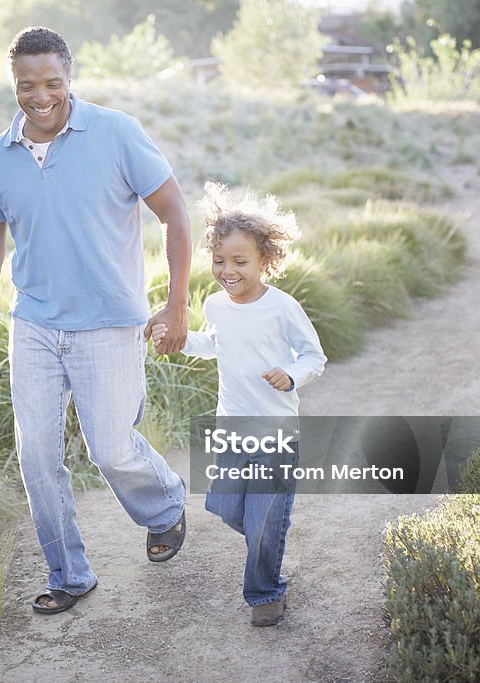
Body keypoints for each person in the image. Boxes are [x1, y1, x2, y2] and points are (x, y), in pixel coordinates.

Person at [0, 26, 190, 615]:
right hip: (34, 325)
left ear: (69, 78)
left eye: (51, 83)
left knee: (110, 449)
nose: (39, 96)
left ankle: (164, 507)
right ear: (13, 85)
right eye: (26, 86)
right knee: (36, 458)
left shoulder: (116, 133)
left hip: (110, 323)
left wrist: (176, 302)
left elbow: (173, 212)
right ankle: (69, 574)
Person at [152, 182, 326, 626]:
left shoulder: (282, 308)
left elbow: (314, 356)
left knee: (265, 521)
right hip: (231, 430)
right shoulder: (216, 303)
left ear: (266, 261)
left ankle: (266, 591)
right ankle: (269, 536)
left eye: (240, 261)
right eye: (219, 261)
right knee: (227, 508)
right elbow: (215, 345)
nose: (228, 270)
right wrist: (178, 339)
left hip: (275, 435)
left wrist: (291, 376)